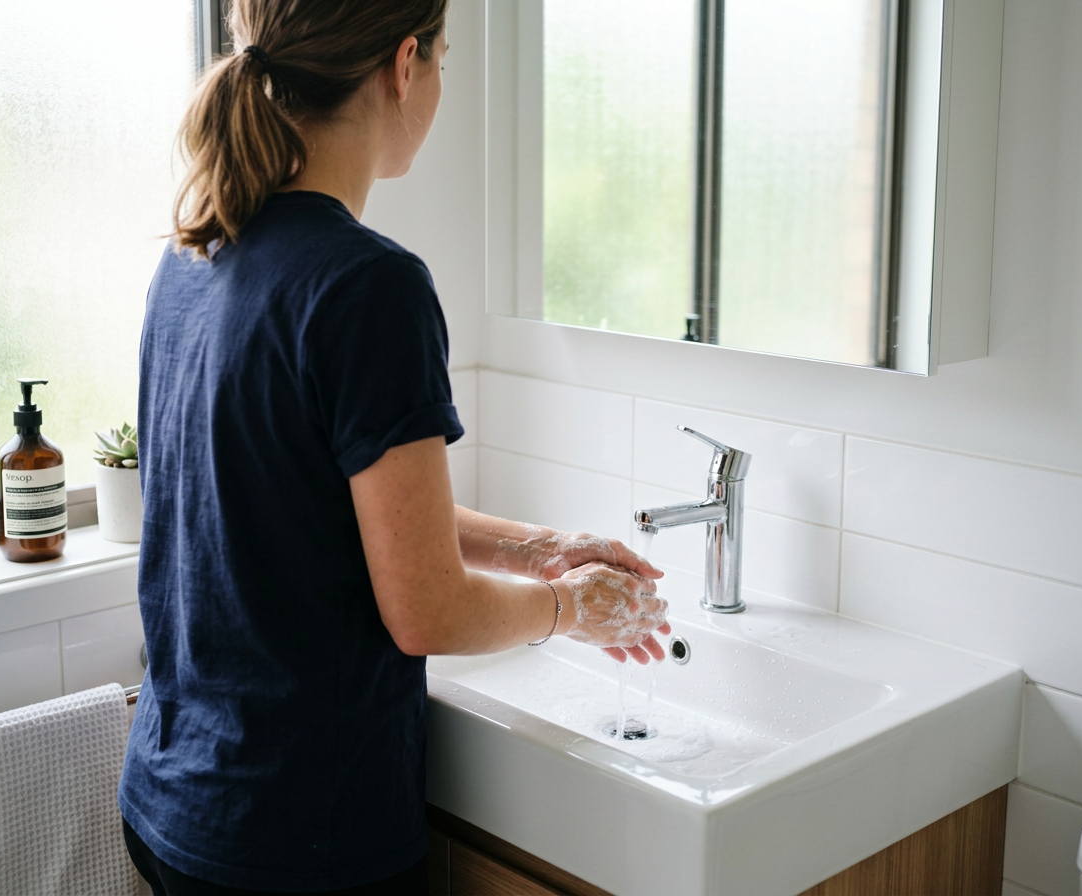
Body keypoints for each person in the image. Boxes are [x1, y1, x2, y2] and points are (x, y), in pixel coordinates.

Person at [117, 1, 670, 893]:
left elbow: (324, 506)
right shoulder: (370, 287)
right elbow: (429, 612)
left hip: (176, 801)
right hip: (298, 841)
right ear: (403, 65)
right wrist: (572, 608)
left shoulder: (194, 257)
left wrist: (543, 552)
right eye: (444, 58)